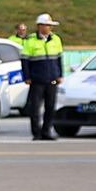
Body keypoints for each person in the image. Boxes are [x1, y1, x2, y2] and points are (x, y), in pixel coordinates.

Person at [19, 13, 65, 141]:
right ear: (40, 26)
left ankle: (47, 131)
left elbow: (59, 59)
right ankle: (36, 133)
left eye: (50, 26)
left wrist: (60, 75)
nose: (49, 28)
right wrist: (27, 77)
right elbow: (25, 61)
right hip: (37, 80)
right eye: (47, 25)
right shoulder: (30, 41)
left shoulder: (56, 39)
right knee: (35, 108)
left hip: (52, 79)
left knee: (50, 107)